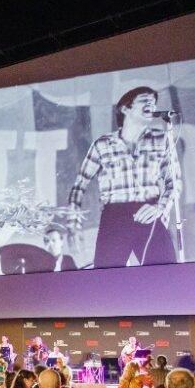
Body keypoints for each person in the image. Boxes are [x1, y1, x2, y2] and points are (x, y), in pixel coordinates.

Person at [68, 86, 180, 267]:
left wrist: (160, 207)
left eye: (153, 102)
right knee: (108, 279)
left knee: (166, 274)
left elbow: (174, 182)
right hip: (115, 216)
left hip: (149, 211)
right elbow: (79, 185)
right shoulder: (103, 144)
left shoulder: (162, 139)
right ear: (125, 108)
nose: (151, 104)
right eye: (144, 100)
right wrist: (73, 224)